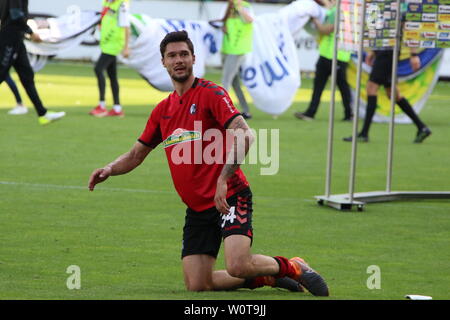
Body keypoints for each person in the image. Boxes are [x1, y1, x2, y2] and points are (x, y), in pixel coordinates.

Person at [88, 31, 329, 295]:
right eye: (172, 56)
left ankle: (293, 267)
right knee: (198, 285)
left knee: (237, 265)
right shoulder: (162, 111)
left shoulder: (211, 94)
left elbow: (245, 134)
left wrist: (223, 179)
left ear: (193, 58)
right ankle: (266, 277)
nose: (178, 60)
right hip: (197, 208)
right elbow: (136, 155)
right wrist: (110, 169)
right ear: (163, 62)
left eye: (183, 54)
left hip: (230, 196)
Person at [343, 48, 432, 143]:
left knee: (371, 88)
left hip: (387, 53)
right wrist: (374, 51)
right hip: (386, 52)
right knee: (393, 94)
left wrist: (414, 55)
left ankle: (364, 133)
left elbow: (409, 33)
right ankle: (421, 127)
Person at [0, 0, 65, 125]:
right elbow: (15, 15)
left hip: (17, 40)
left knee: (27, 76)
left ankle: (43, 114)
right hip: (9, 40)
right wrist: (30, 32)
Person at [295, 0, 353, 122]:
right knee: (320, 85)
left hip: (337, 55)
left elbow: (325, 30)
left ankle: (349, 113)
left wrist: (315, 20)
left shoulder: (340, 12)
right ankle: (311, 112)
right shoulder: (338, 10)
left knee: (340, 87)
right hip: (330, 54)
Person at [89, 0, 131, 118]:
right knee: (112, 75)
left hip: (114, 44)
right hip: (106, 44)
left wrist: (126, 47)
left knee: (98, 69)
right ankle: (117, 108)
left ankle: (102, 106)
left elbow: (126, 26)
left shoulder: (121, 4)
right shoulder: (107, 3)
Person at [220, 0, 254, 120]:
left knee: (225, 80)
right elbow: (224, 23)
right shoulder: (229, 6)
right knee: (234, 82)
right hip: (227, 48)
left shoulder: (245, 6)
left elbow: (249, 19)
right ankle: (246, 110)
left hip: (238, 50)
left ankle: (223, 111)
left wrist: (239, 7)